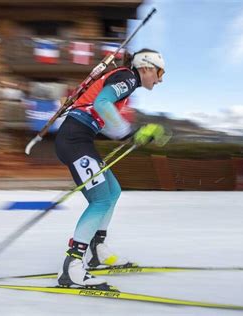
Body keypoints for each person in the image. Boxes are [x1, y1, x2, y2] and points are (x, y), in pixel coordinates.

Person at [55, 49, 166, 288]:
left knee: (112, 191)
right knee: (101, 199)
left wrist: (135, 134)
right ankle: (72, 268)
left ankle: (98, 251)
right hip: (74, 141)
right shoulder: (127, 77)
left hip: (79, 139)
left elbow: (105, 120)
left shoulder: (127, 82)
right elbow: (102, 103)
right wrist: (131, 133)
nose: (160, 79)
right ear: (146, 67)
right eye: (160, 72)